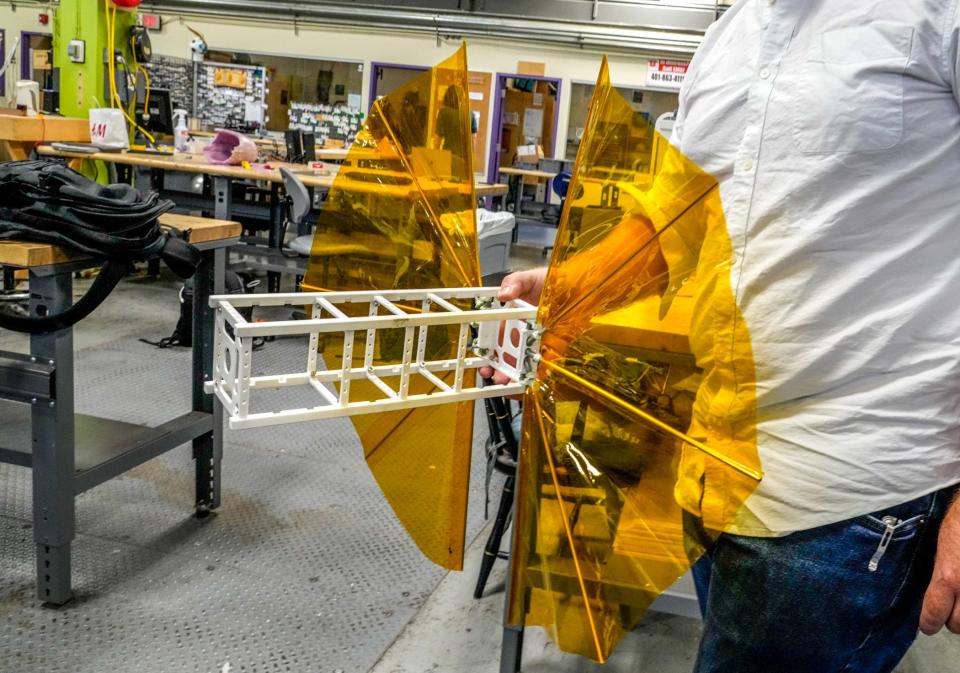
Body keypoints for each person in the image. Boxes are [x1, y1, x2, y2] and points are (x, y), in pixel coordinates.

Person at [484, 1, 960, 671]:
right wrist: (573, 286)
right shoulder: (730, 33)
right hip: (712, 463)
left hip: (847, 497)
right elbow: (677, 216)